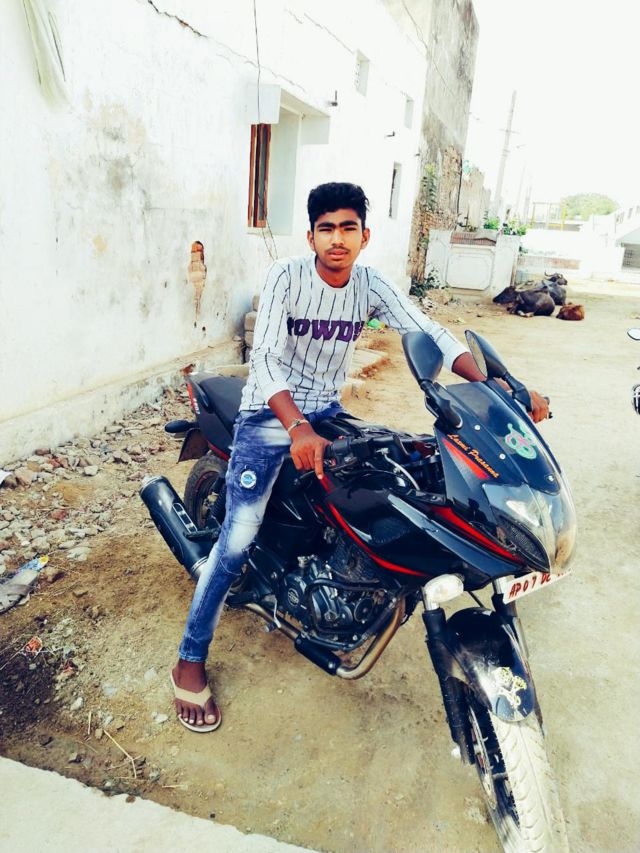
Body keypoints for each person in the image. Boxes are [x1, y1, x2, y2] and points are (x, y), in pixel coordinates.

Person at [170, 182, 549, 731]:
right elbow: (267, 358)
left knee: (401, 475)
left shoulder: (369, 283)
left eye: (348, 228)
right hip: (268, 417)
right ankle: (189, 659)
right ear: (311, 237)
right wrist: (297, 428)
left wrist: (499, 389)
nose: (337, 239)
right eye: (326, 228)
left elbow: (429, 332)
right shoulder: (286, 278)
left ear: (364, 236)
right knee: (235, 541)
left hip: (325, 411)